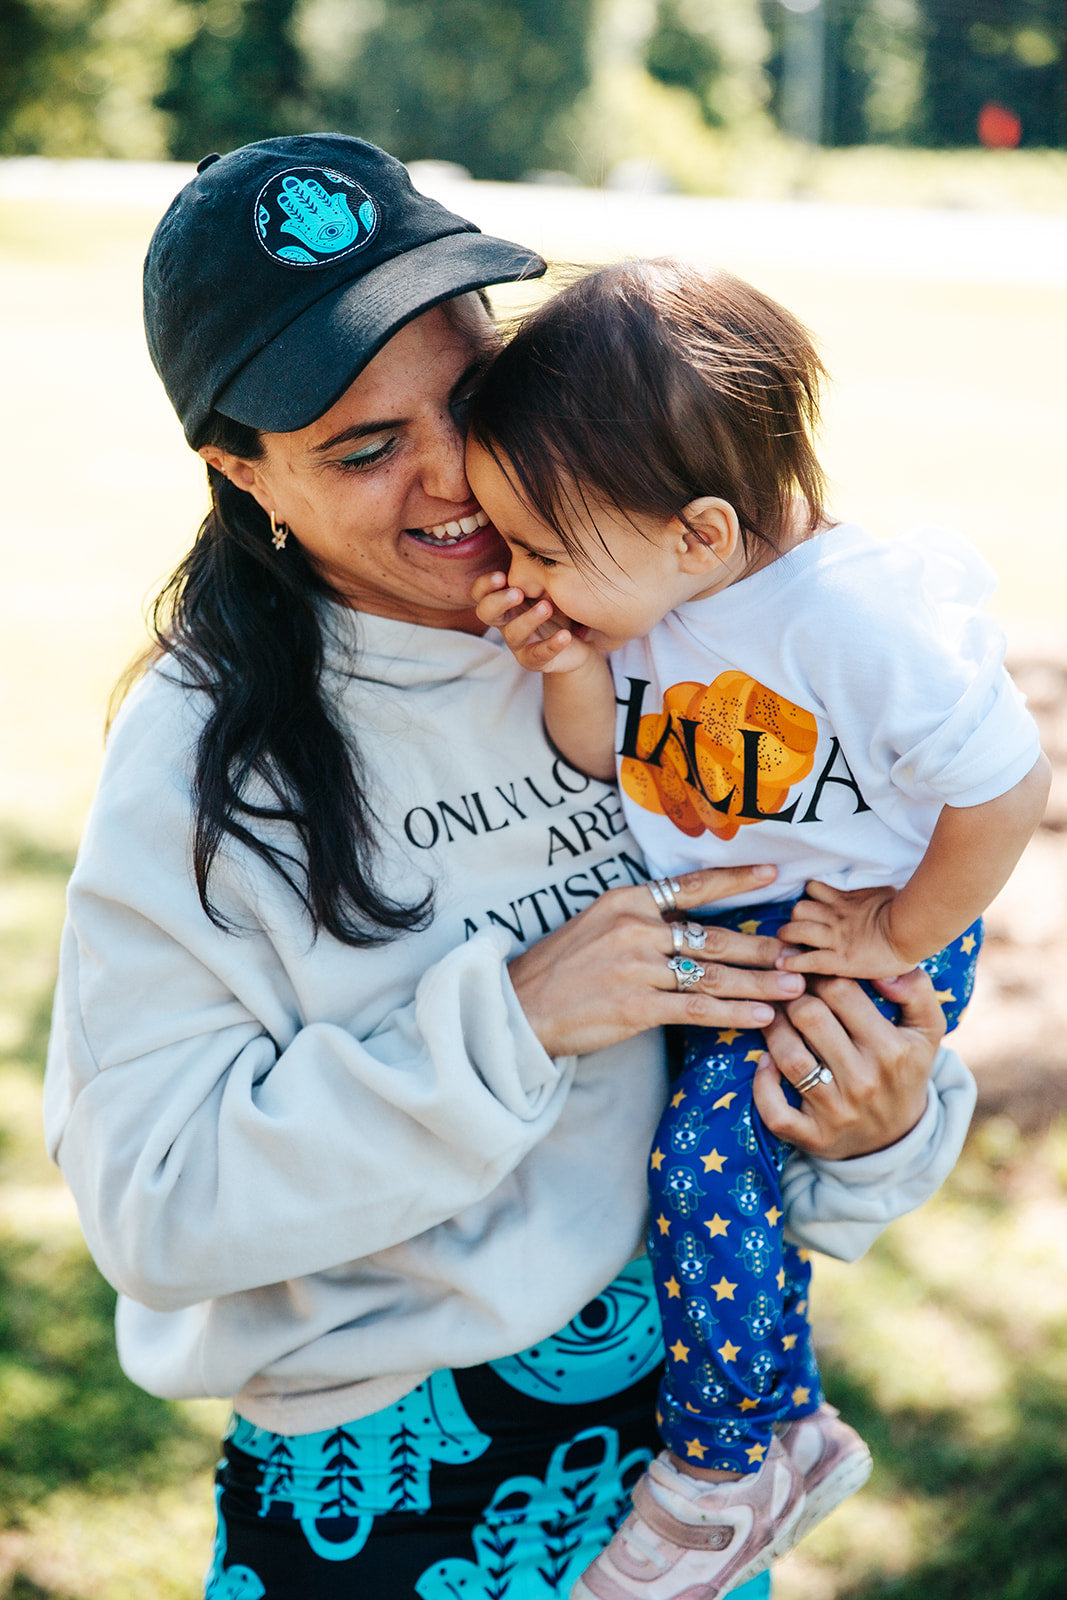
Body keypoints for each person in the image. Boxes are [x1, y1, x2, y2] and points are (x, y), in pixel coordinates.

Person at [44, 138, 979, 1600]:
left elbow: (841, 951)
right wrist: (518, 1016)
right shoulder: (205, 758)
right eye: (363, 448)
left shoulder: (662, 625)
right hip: (390, 1495)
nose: (457, 481)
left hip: (697, 1458)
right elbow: (157, 1206)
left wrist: (880, 1125)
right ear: (243, 471)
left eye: (469, 399)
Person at [465, 258, 1049, 1599]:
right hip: (764, 924)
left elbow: (1009, 787)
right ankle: (758, 1421)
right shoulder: (659, 604)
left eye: (548, 549)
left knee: (702, 1159)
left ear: (704, 536)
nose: (520, 568)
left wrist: (897, 933)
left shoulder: (855, 621)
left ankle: (743, 1451)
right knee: (700, 1155)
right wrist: (564, 656)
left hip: (855, 930)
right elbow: (605, 756)